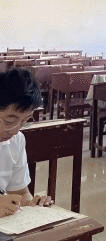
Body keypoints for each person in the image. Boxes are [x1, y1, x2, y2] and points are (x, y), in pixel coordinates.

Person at [0, 68, 54, 218]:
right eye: (10, 121)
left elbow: (20, 193)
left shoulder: (16, 141)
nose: (15, 130)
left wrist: (32, 204)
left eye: (24, 121)